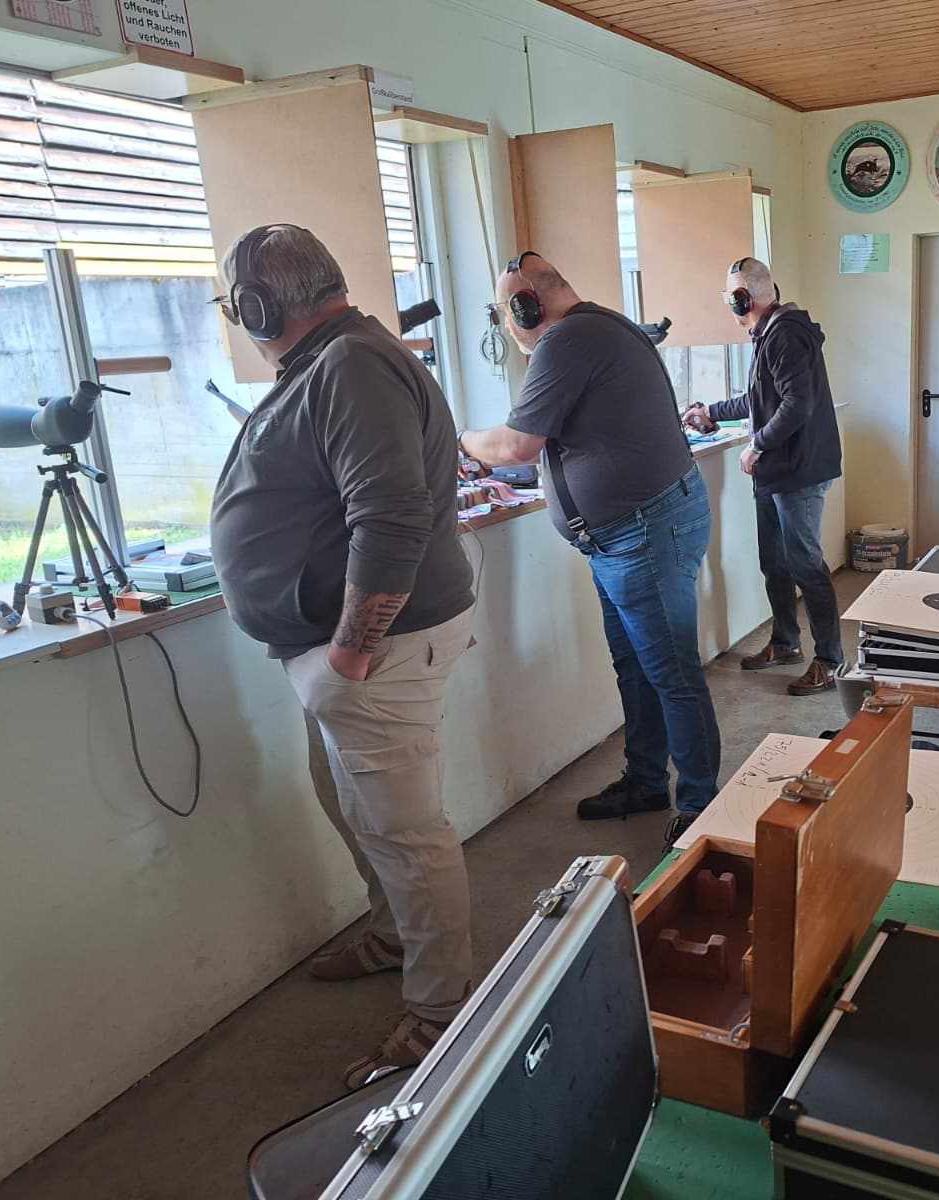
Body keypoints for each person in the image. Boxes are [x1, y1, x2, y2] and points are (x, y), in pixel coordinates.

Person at [209, 225, 477, 1088]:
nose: (234, 318)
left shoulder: (351, 364)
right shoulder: (331, 362)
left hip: (375, 653)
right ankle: (395, 937)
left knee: (406, 832)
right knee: (355, 808)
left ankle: (441, 1014)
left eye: (233, 304)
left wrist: (350, 657)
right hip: (348, 651)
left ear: (259, 306)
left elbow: (391, 518)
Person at [459, 253, 721, 843]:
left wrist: (462, 441)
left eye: (504, 312)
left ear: (526, 307)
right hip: (625, 533)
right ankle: (647, 780)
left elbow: (519, 445)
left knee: (672, 673)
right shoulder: (599, 325)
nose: (505, 325)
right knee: (638, 667)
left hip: (643, 533)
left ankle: (701, 810)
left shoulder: (567, 340)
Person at [681, 257, 844, 695]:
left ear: (743, 300)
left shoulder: (785, 334)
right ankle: (786, 642)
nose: (729, 308)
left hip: (798, 471)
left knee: (806, 565)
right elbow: (759, 399)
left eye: (729, 298)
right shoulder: (769, 333)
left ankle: (831, 662)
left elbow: (796, 403)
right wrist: (711, 411)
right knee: (774, 562)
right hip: (777, 471)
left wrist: (757, 444)